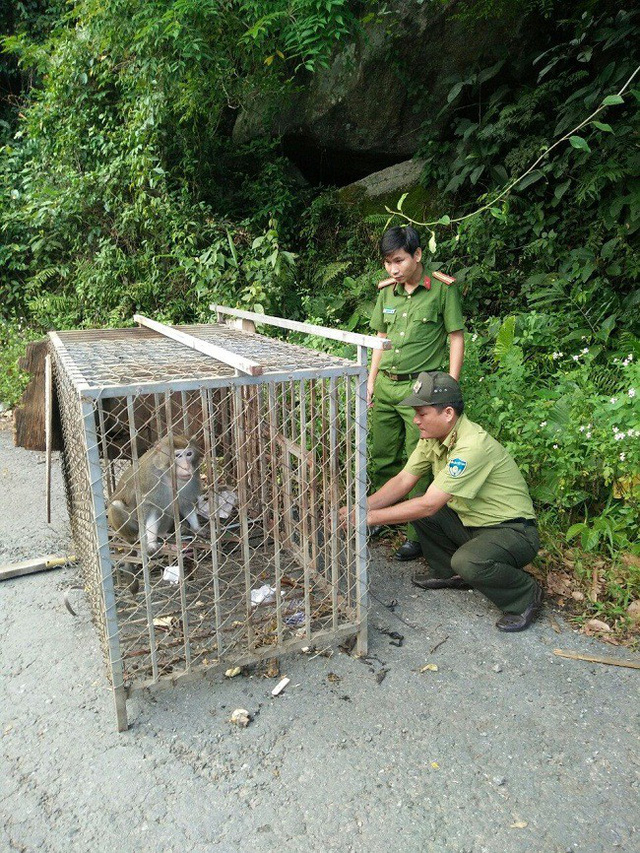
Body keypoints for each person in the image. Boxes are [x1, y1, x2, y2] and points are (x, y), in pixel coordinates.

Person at [346, 371, 543, 632]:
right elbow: (404, 479)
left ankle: (525, 595)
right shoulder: (434, 438)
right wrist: (361, 507)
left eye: (422, 413)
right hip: (473, 525)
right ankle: (449, 572)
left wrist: (367, 518)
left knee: (465, 556)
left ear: (448, 413)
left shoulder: (472, 446)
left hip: (514, 532)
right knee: (419, 506)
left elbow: (430, 504)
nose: (416, 421)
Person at [368, 225, 465, 561]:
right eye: (387, 263)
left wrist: (448, 387)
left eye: (399, 261)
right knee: (382, 455)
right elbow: (380, 338)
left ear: (417, 255)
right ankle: (381, 517)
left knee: (417, 460)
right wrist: (370, 379)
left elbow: (455, 338)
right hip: (386, 385)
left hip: (419, 391)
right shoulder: (386, 293)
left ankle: (416, 534)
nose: (393, 269)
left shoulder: (441, 290)